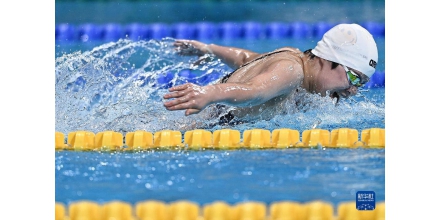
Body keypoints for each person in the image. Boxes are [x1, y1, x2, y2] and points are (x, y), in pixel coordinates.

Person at [163, 23, 378, 125]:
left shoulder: (292, 57)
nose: (353, 90)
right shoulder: (291, 72)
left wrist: (210, 49)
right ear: (329, 59)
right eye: (354, 78)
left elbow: (247, 59)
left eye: (362, 83)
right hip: (195, 124)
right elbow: (254, 91)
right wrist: (209, 93)